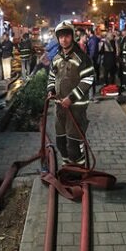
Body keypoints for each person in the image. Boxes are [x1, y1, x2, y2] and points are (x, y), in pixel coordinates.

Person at [46, 21, 95, 166]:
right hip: (59, 107)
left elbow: (88, 79)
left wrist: (71, 98)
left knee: (74, 146)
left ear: (72, 37)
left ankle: (79, 172)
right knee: (61, 143)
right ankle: (67, 168)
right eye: (61, 37)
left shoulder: (82, 58)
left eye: (67, 36)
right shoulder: (56, 58)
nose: (64, 39)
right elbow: (51, 77)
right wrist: (51, 90)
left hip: (76, 108)